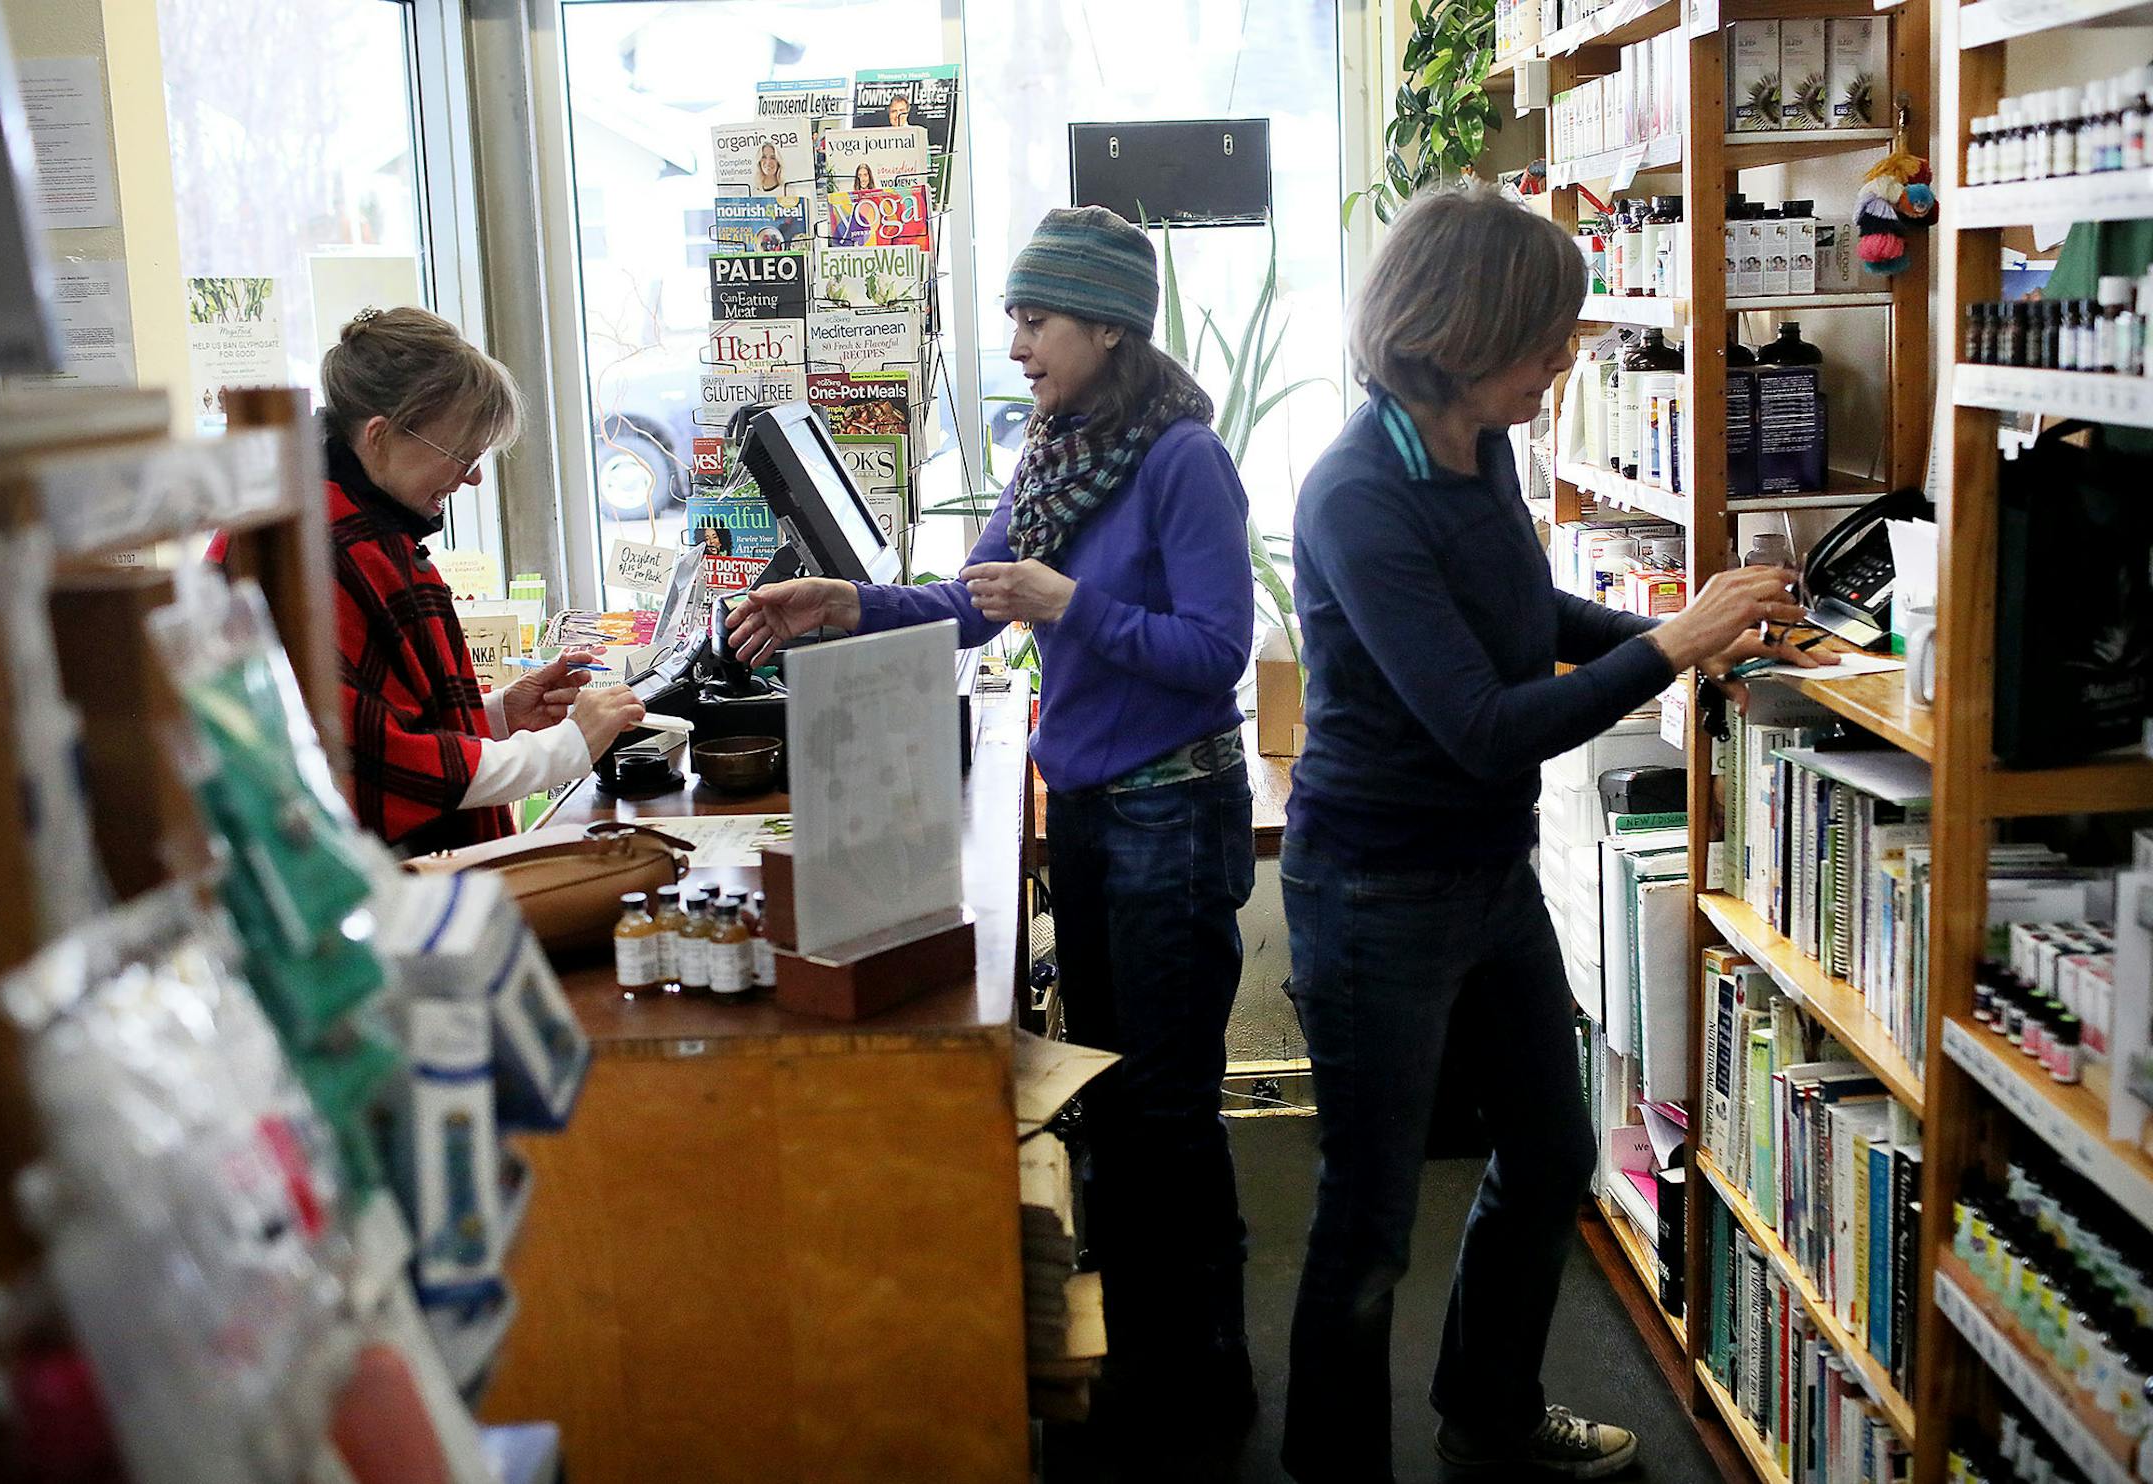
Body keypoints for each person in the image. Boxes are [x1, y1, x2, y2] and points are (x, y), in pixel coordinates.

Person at [1279, 187, 1830, 1483]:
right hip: (1375, 888)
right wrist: (1672, 645)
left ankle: (1493, 1410)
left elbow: (1526, 615)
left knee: (1552, 1151)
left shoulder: (1477, 448)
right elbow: (1483, 722)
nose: (1563, 362)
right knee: (1367, 1221)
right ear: (1461, 334)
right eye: (1546, 339)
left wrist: (1680, 628)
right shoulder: (1360, 494)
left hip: (1483, 870)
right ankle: (1331, 1467)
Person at [727, 206, 1260, 1459]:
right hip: (1084, 812)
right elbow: (971, 605)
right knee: (1121, 1100)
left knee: (1169, 1114)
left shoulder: (1183, 458)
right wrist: (845, 600)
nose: (1013, 341)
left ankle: (1209, 1384)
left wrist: (1070, 603)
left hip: (1170, 815)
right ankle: (1147, 1360)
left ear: (1107, 324)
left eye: (1033, 318)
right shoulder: (1058, 443)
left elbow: (1215, 652)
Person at [317, 306, 645, 853]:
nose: (471, 477)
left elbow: (398, 725)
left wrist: (494, 714)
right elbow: (387, 766)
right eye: (459, 454)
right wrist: (571, 745)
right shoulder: (324, 554)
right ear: (380, 435)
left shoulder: (360, 528)